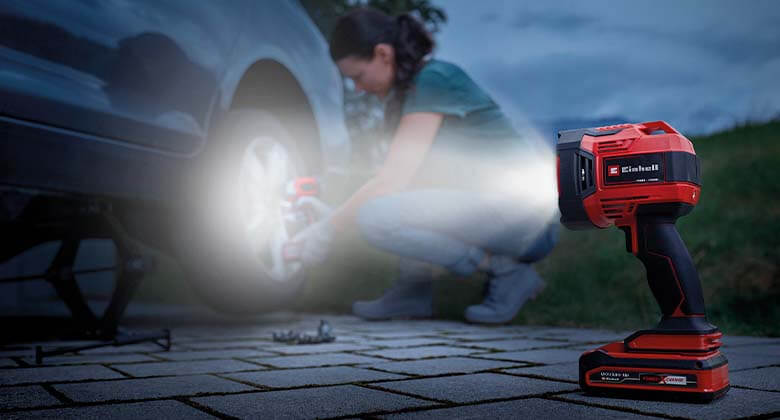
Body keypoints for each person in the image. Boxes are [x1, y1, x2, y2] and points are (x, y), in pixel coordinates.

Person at [293, 8, 559, 324]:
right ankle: (413, 291)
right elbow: (401, 178)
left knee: (375, 217)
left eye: (358, 77)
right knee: (394, 201)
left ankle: (505, 271)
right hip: (496, 212)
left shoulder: (433, 80)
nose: (358, 88)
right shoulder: (407, 97)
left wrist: (328, 229)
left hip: (527, 223)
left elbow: (391, 180)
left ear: (382, 54)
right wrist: (332, 199)